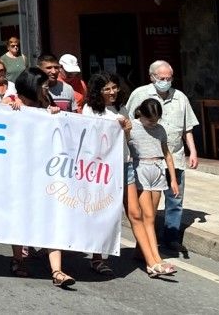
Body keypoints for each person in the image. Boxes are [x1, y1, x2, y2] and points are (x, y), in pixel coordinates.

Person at [11, 68, 76, 288]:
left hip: (47, 170)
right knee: (20, 214)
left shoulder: (46, 103)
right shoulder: (12, 101)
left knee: (52, 214)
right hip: (20, 170)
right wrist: (13, 110)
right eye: (43, 85)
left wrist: (56, 115)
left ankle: (56, 270)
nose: (47, 88)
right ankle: (18, 259)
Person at [124, 60, 198, 253]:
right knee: (148, 208)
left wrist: (193, 151)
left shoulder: (180, 97)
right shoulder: (139, 95)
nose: (166, 81)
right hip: (146, 161)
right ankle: (147, 245)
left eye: (169, 78)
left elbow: (187, 127)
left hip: (175, 155)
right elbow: (128, 123)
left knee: (175, 199)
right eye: (162, 78)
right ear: (152, 77)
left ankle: (171, 238)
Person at [81, 72, 133, 278]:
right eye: (107, 89)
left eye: (114, 88)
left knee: (123, 213)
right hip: (99, 169)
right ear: (98, 92)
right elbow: (87, 137)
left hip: (122, 165)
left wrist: (127, 129)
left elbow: (128, 139)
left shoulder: (122, 108)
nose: (112, 92)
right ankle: (96, 257)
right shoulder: (90, 110)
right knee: (99, 212)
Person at [128, 98, 180, 278]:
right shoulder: (132, 127)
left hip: (158, 170)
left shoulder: (160, 129)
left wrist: (173, 179)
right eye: (150, 119)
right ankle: (155, 259)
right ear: (141, 114)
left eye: (156, 119)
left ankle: (139, 251)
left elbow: (167, 154)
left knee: (153, 214)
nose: (153, 123)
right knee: (148, 217)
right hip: (140, 168)